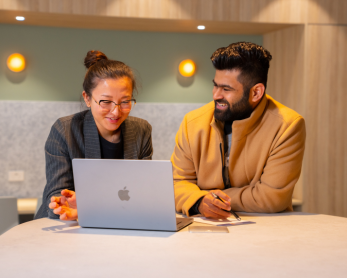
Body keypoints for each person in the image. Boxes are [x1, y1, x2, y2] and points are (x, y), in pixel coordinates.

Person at [171, 42, 306, 218]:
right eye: (215, 85)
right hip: (203, 232)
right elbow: (176, 183)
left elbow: (272, 197)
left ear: (256, 92)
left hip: (266, 234)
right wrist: (199, 202)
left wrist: (208, 198)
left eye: (226, 89)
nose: (216, 95)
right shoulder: (192, 123)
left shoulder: (288, 126)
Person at [35, 50, 153, 220]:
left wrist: (90, 207)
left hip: (121, 221)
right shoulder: (64, 130)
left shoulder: (142, 130)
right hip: (68, 228)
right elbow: (56, 196)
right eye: (105, 102)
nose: (116, 111)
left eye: (125, 102)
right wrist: (69, 206)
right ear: (87, 98)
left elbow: (143, 191)